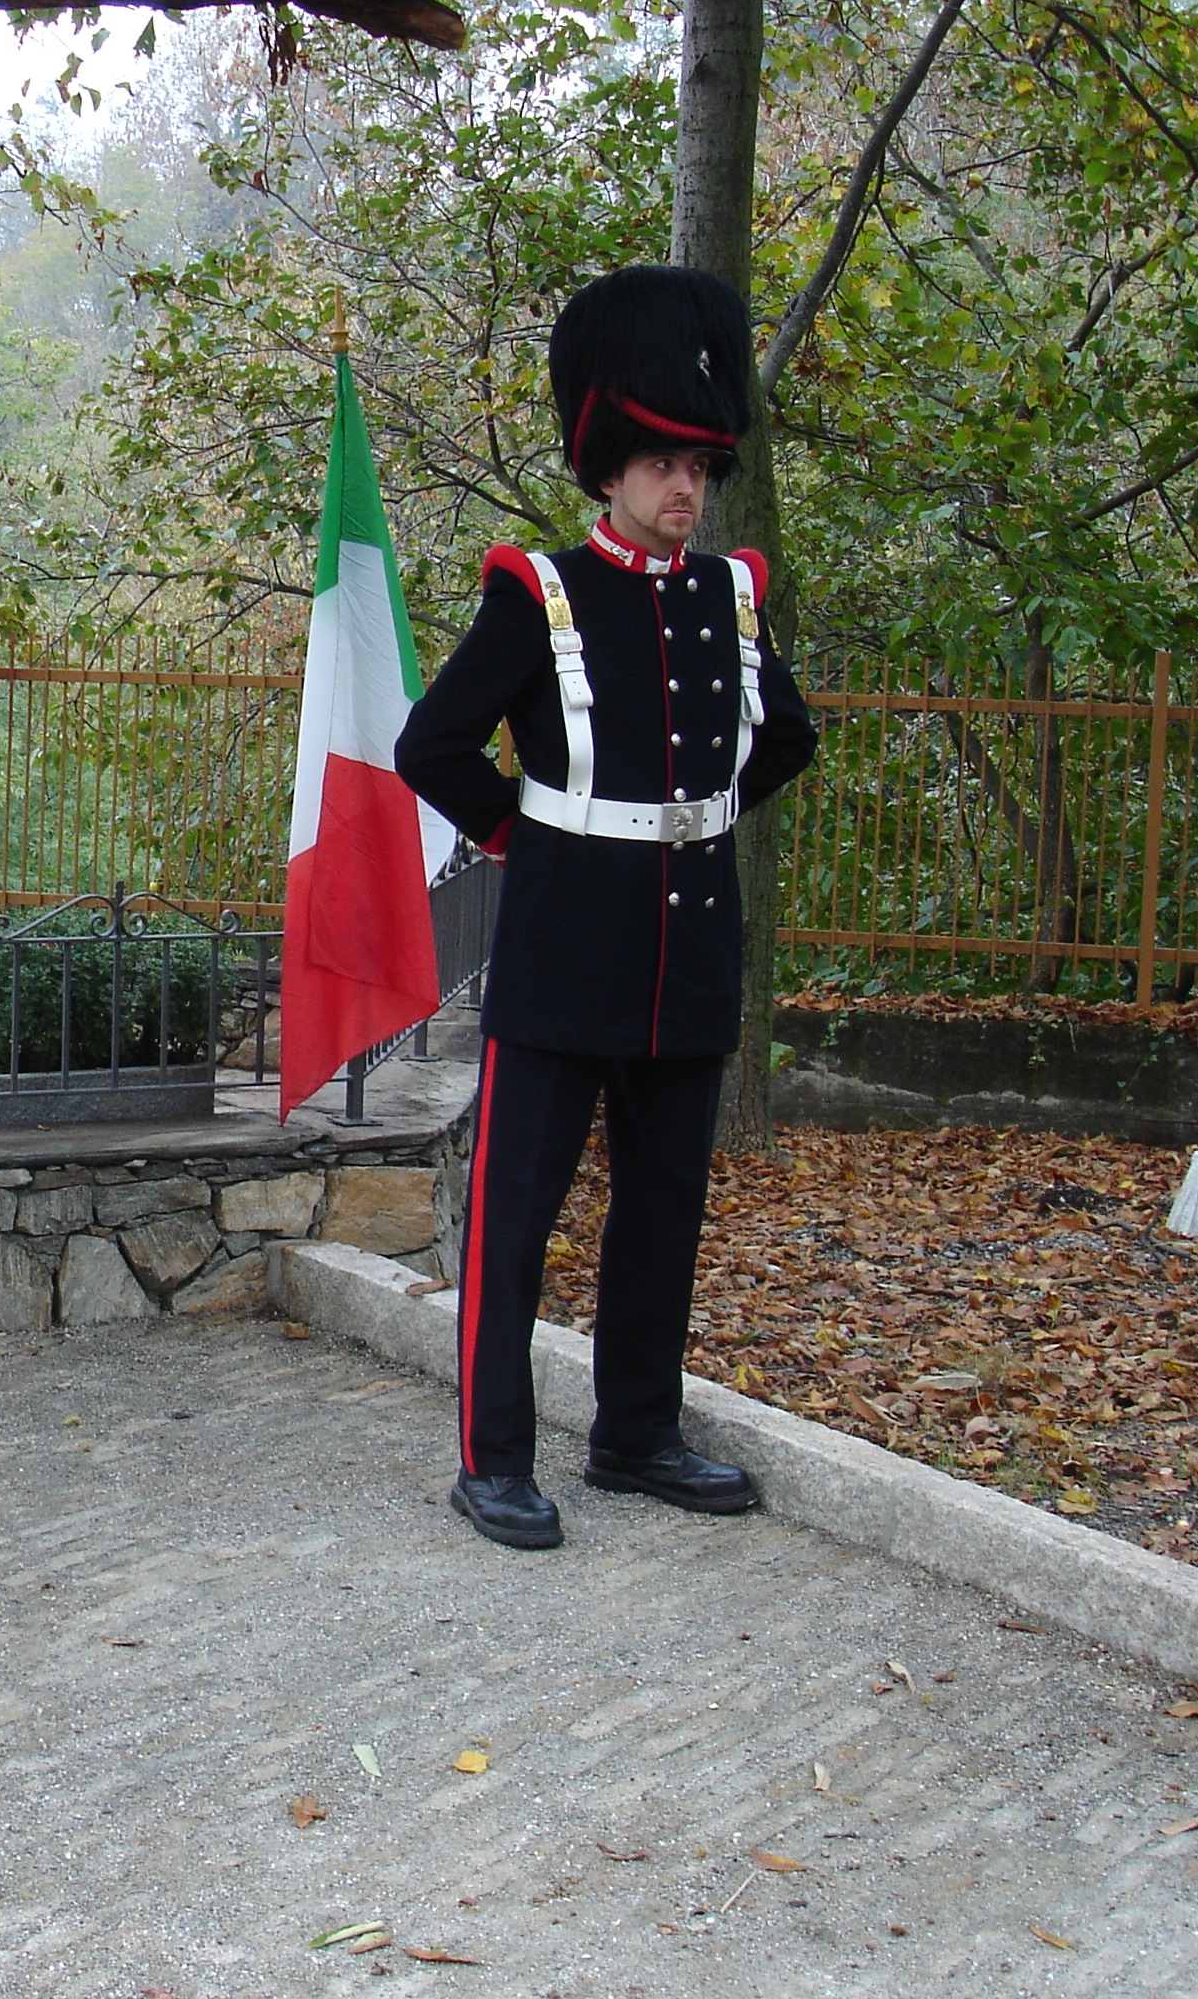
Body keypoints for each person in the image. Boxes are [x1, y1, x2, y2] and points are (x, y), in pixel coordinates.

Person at [394, 267, 818, 1551]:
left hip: (687, 955)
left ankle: (636, 1432)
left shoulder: (726, 597)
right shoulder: (542, 593)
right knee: (518, 1217)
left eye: (696, 465)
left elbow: (785, 738)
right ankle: (496, 1458)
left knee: (661, 1211)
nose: (682, 489)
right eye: (655, 464)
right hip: (567, 952)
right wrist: (531, 836)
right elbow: (434, 747)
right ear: (606, 468)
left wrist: (691, 822)